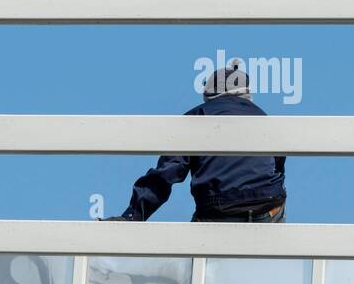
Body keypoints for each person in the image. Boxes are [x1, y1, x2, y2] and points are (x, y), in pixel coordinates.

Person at [104, 63, 286, 222]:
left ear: (208, 96)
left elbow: (165, 174)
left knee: (194, 255)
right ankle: (278, 254)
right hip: (267, 206)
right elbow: (277, 166)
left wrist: (133, 215)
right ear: (247, 94)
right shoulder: (263, 118)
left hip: (218, 211)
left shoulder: (196, 117)